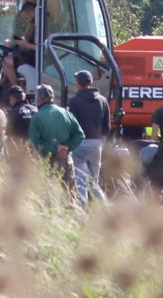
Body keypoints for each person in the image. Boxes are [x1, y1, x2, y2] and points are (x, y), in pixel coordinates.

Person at [67, 70, 111, 206]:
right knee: (94, 182)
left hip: (80, 144)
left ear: (78, 83)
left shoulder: (74, 101)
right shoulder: (103, 100)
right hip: (97, 144)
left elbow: (71, 125)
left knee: (80, 182)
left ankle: (81, 212)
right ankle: (105, 208)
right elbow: (107, 127)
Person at [28, 84, 85, 191]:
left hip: (47, 161)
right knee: (69, 193)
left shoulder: (37, 117)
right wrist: (67, 147)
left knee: (48, 194)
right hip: (66, 159)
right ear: (52, 98)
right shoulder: (66, 113)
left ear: (38, 99)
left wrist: (54, 148)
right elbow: (80, 135)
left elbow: (35, 142)